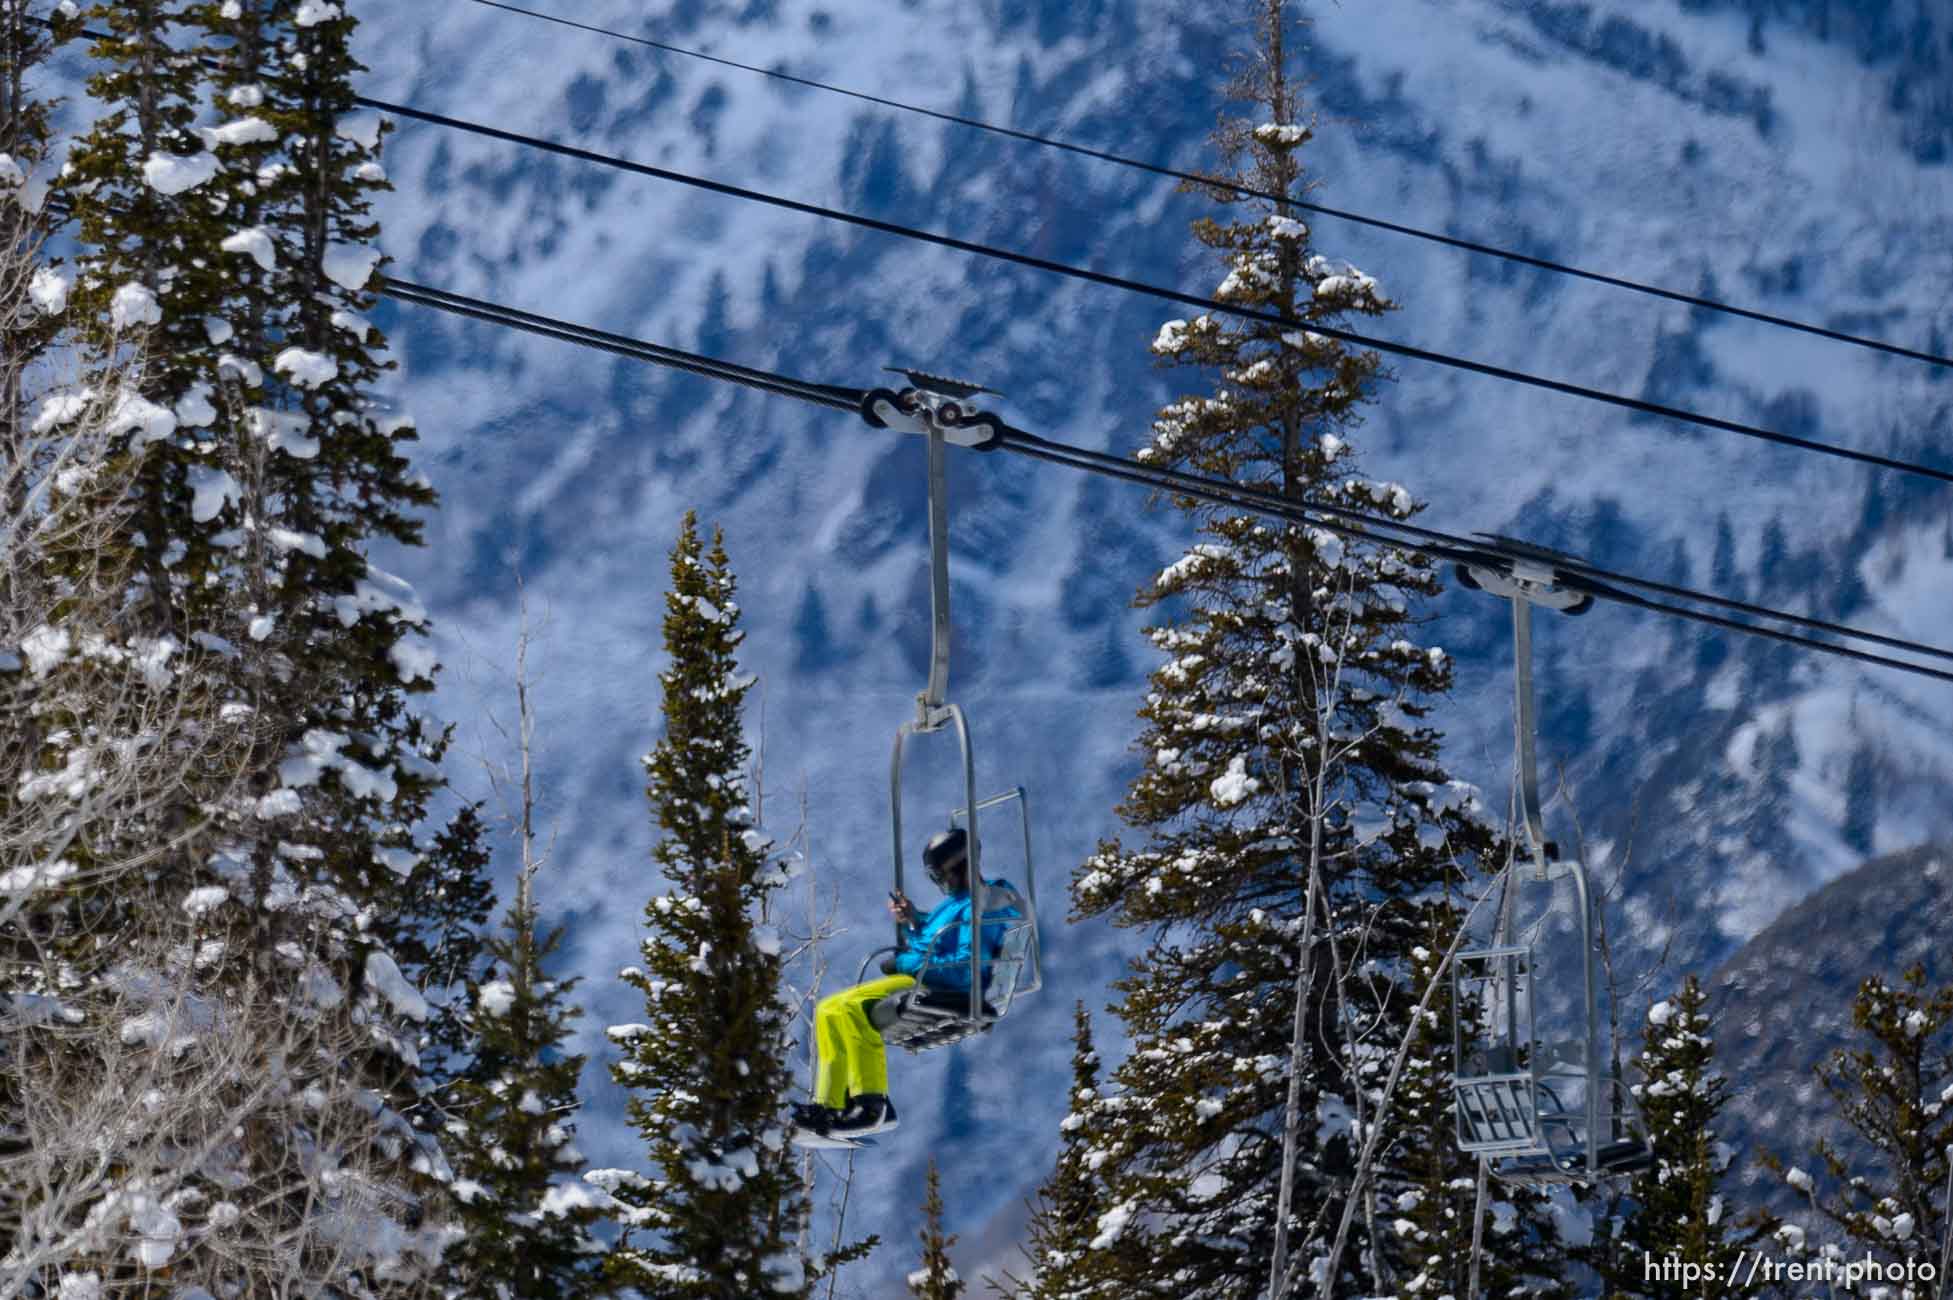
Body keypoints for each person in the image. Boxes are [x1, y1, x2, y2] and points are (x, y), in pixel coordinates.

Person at [791, 827, 1025, 1143]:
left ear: (956, 867)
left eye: (940, 874)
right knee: (828, 1009)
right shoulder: (960, 901)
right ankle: (829, 1104)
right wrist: (914, 920)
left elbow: (964, 969)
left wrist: (904, 963)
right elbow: (935, 939)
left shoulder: (980, 905)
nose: (941, 882)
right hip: (922, 979)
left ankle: (873, 1104)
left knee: (852, 1009)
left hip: (942, 987)